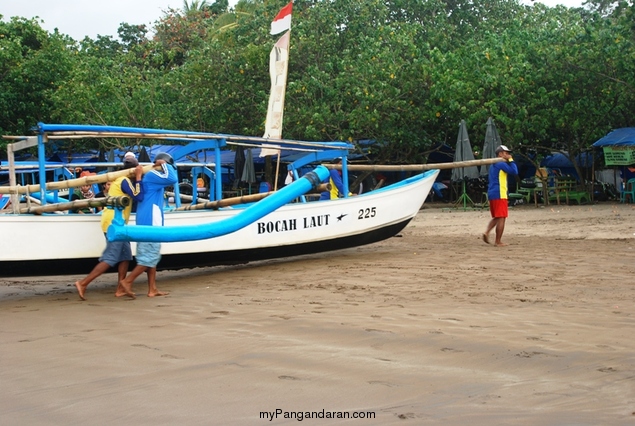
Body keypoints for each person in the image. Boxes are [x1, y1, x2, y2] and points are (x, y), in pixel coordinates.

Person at [74, 156, 144, 300]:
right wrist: (138, 177)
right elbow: (139, 196)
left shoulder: (121, 180)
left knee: (125, 256)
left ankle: (120, 288)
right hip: (113, 223)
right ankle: (83, 283)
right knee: (111, 258)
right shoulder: (124, 181)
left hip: (118, 223)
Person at [119, 153, 178, 298]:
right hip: (150, 220)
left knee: (151, 255)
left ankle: (152, 289)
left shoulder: (150, 177)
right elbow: (173, 178)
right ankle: (127, 281)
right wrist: (163, 163)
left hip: (147, 218)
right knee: (149, 256)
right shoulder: (152, 175)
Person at [483, 145, 519, 247]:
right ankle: (498, 241)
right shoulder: (500, 163)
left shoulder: (493, 165)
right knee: (502, 217)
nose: (508, 154)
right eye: (506, 153)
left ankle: (487, 232)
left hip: (492, 192)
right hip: (500, 193)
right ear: (500, 154)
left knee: (497, 216)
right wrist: (511, 160)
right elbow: (514, 171)